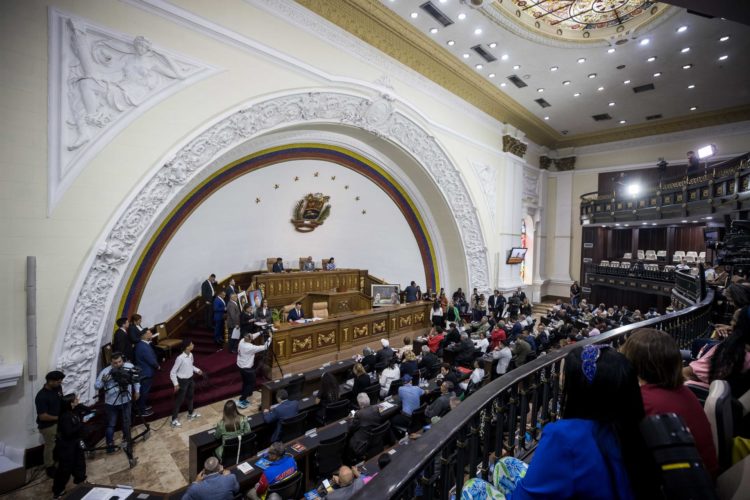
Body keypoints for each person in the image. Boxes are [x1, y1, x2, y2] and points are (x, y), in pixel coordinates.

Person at [461, 345, 657, 499]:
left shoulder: (565, 437)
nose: (561, 380)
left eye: (566, 376)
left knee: (473, 486)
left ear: (583, 391)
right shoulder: (636, 423)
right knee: (504, 465)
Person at [621, 328, 718, 477]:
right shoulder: (685, 391)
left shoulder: (644, 400)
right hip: (704, 478)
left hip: (686, 486)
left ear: (632, 363)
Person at [95, 352, 140, 453]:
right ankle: (110, 444)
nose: (119, 364)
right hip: (112, 403)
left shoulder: (129, 366)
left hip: (126, 399)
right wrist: (103, 381)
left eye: (120, 361)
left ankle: (127, 440)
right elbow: (97, 386)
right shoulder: (105, 371)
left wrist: (137, 391)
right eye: (115, 363)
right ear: (111, 362)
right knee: (111, 424)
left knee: (126, 422)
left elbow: (136, 379)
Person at [51, 394, 86, 499]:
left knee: (80, 464)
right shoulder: (65, 417)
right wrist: (80, 425)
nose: (77, 400)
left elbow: (83, 409)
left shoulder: (73, 411)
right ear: (70, 403)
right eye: (75, 399)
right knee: (65, 470)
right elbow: (68, 432)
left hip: (75, 445)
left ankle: (81, 482)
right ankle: (58, 491)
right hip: (67, 448)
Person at [36, 370, 64, 478]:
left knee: (60, 442)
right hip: (48, 426)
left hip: (59, 422)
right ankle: (49, 466)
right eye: (58, 382)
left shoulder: (57, 388)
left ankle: (59, 460)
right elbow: (43, 416)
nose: (60, 383)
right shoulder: (41, 396)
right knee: (50, 446)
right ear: (50, 381)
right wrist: (58, 417)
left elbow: (61, 400)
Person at [170, 339, 203, 427]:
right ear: (187, 347)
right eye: (191, 344)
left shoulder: (191, 355)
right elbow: (172, 372)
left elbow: (191, 365)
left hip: (191, 379)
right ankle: (173, 420)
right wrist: (175, 383)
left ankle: (190, 414)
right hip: (182, 381)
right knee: (179, 400)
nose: (193, 345)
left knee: (190, 397)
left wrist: (197, 370)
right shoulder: (180, 358)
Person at [237, 331, 270, 409]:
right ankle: (242, 400)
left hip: (240, 366)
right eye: (251, 336)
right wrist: (270, 337)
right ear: (250, 339)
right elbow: (265, 347)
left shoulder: (242, 340)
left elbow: (252, 336)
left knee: (245, 382)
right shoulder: (250, 347)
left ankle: (244, 396)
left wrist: (260, 332)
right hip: (247, 368)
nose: (252, 336)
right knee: (250, 384)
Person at [348, 392, 382, 458]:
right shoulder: (376, 408)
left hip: (362, 442)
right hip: (375, 438)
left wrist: (350, 418)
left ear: (360, 404)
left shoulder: (359, 414)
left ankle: (350, 459)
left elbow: (351, 428)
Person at [133, 328, 158, 417]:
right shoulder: (143, 346)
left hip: (145, 371)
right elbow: (150, 359)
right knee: (144, 392)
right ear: (144, 335)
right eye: (149, 332)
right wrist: (157, 366)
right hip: (146, 372)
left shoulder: (142, 344)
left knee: (144, 391)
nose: (151, 333)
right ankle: (142, 411)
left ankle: (142, 406)